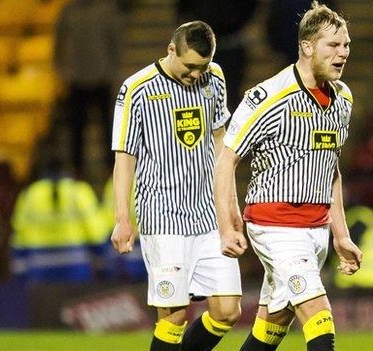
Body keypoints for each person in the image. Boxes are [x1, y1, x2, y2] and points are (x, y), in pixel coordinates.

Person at [214, 2, 362, 351]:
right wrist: (228, 224)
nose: (343, 54)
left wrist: (339, 235)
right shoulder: (267, 97)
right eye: (333, 45)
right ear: (307, 47)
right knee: (319, 316)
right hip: (276, 227)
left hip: (316, 229)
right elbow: (225, 162)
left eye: (346, 46)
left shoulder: (342, 98)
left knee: (274, 323)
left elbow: (332, 170)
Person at [111, 21, 241, 351]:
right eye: (189, 66)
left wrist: (229, 205)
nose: (196, 75)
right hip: (162, 215)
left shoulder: (216, 76)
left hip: (207, 215)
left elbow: (221, 141)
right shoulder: (136, 88)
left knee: (228, 311)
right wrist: (122, 218)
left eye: (202, 67)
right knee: (174, 316)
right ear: (171, 50)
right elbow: (125, 157)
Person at [54, 0, 122, 175]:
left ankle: (112, 171)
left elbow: (116, 40)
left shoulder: (106, 9)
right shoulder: (67, 11)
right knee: (76, 129)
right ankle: (77, 172)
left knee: (107, 129)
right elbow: (58, 42)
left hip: (102, 78)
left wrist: (111, 70)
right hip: (76, 80)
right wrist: (62, 69)